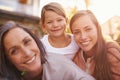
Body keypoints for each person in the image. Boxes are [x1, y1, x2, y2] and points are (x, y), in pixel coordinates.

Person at [0, 21, 95, 80]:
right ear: (8, 60)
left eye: (27, 42)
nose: (27, 53)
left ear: (36, 41)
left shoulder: (61, 65)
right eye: (14, 51)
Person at [70, 10, 120, 80]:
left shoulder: (111, 51)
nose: (83, 37)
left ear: (97, 28)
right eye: (77, 32)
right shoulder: (75, 58)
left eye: (88, 29)